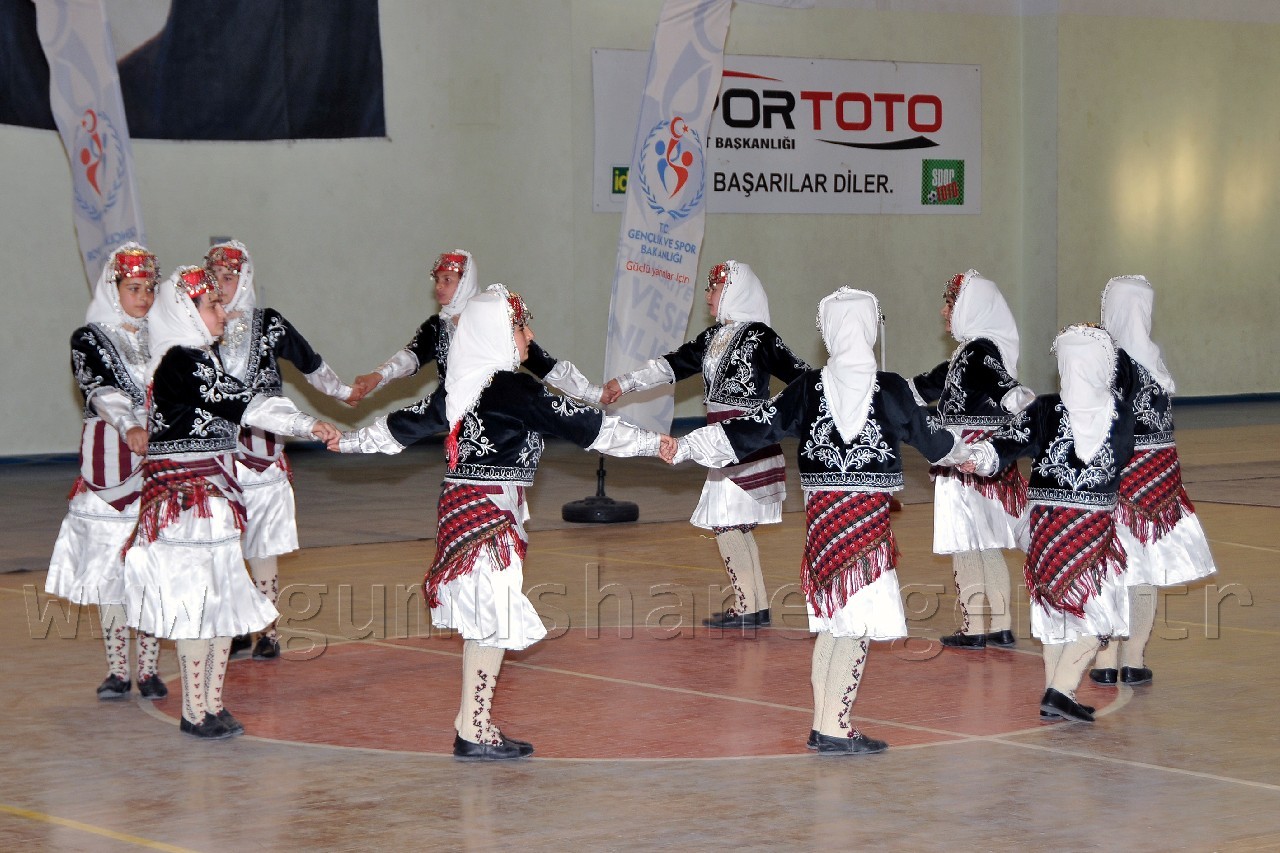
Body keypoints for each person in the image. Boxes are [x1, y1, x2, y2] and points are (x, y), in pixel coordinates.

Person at [333, 284, 672, 761]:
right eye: (519, 326)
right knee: (491, 621)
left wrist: (346, 442)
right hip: (489, 521)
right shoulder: (512, 388)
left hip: (463, 511)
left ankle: (473, 725)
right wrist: (655, 443)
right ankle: (474, 729)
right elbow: (588, 427)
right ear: (495, 332)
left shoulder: (461, 385)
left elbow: (398, 428)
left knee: (485, 621)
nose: (529, 336)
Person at [670, 287, 975, 754]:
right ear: (869, 328)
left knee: (835, 624)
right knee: (855, 625)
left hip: (821, 525)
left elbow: (749, 430)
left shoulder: (808, 389)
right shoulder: (891, 388)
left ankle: (825, 724)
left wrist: (686, 446)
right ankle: (835, 727)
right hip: (866, 529)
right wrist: (973, 456)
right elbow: (936, 442)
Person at [123, 266, 339, 739]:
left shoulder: (199, 358)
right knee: (198, 607)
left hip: (213, 502)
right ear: (186, 311)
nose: (222, 312)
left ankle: (214, 704)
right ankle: (195, 710)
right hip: (187, 507)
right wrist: (306, 424)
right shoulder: (182, 361)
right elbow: (247, 403)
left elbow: (241, 403)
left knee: (222, 604)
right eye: (211, 305)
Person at [603, 261, 810, 628]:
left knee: (724, 522)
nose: (708, 296)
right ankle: (754, 605)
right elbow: (671, 365)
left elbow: (803, 378)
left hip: (749, 442)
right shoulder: (713, 337)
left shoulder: (760, 336)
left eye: (714, 288)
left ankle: (749, 606)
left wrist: (792, 413)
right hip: (719, 442)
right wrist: (626, 382)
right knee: (732, 524)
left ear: (734, 291)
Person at [973, 323, 1137, 723]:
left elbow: (1002, 448)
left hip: (1045, 526)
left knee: (1054, 612)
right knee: (1100, 618)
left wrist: (972, 457)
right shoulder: (1118, 413)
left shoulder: (1045, 409)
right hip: (1091, 530)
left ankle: (1055, 692)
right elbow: (1122, 456)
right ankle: (1060, 691)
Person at [206, 240, 353, 660]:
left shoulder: (268, 323)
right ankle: (237, 625)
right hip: (216, 453)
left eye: (229, 277)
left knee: (262, 544)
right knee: (223, 545)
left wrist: (344, 393)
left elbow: (309, 362)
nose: (221, 285)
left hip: (262, 453)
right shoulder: (200, 326)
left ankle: (268, 630)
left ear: (245, 279)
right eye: (215, 277)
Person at [46, 243, 168, 700]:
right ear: (113, 289)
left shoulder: (167, 336)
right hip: (109, 465)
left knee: (153, 570)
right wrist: (129, 423)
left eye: (149, 289)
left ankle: (149, 669)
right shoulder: (89, 338)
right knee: (110, 571)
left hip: (158, 464)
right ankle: (118, 670)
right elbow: (100, 390)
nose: (144, 298)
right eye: (134, 288)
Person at [1088, 275, 1216, 687]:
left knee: (1110, 567)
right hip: (1159, 481)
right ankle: (1134, 659)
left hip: (1118, 479)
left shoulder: (1106, 361)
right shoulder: (1153, 360)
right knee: (1143, 570)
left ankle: (1105, 659)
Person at [910, 270, 1034, 650]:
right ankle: (999, 625)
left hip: (968, 460)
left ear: (971, 308)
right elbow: (925, 386)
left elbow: (1010, 391)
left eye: (950, 304)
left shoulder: (980, 351)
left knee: (967, 543)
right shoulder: (967, 354)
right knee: (985, 542)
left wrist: (1027, 409)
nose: (944, 312)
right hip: (978, 460)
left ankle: (975, 627)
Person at [346, 249, 603, 406]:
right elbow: (410, 357)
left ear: (466, 281)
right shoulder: (436, 327)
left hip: (498, 410)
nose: (439, 286)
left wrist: (592, 393)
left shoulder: (495, 319)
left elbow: (543, 364)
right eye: (437, 280)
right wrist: (376, 377)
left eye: (448, 280)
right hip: (454, 413)